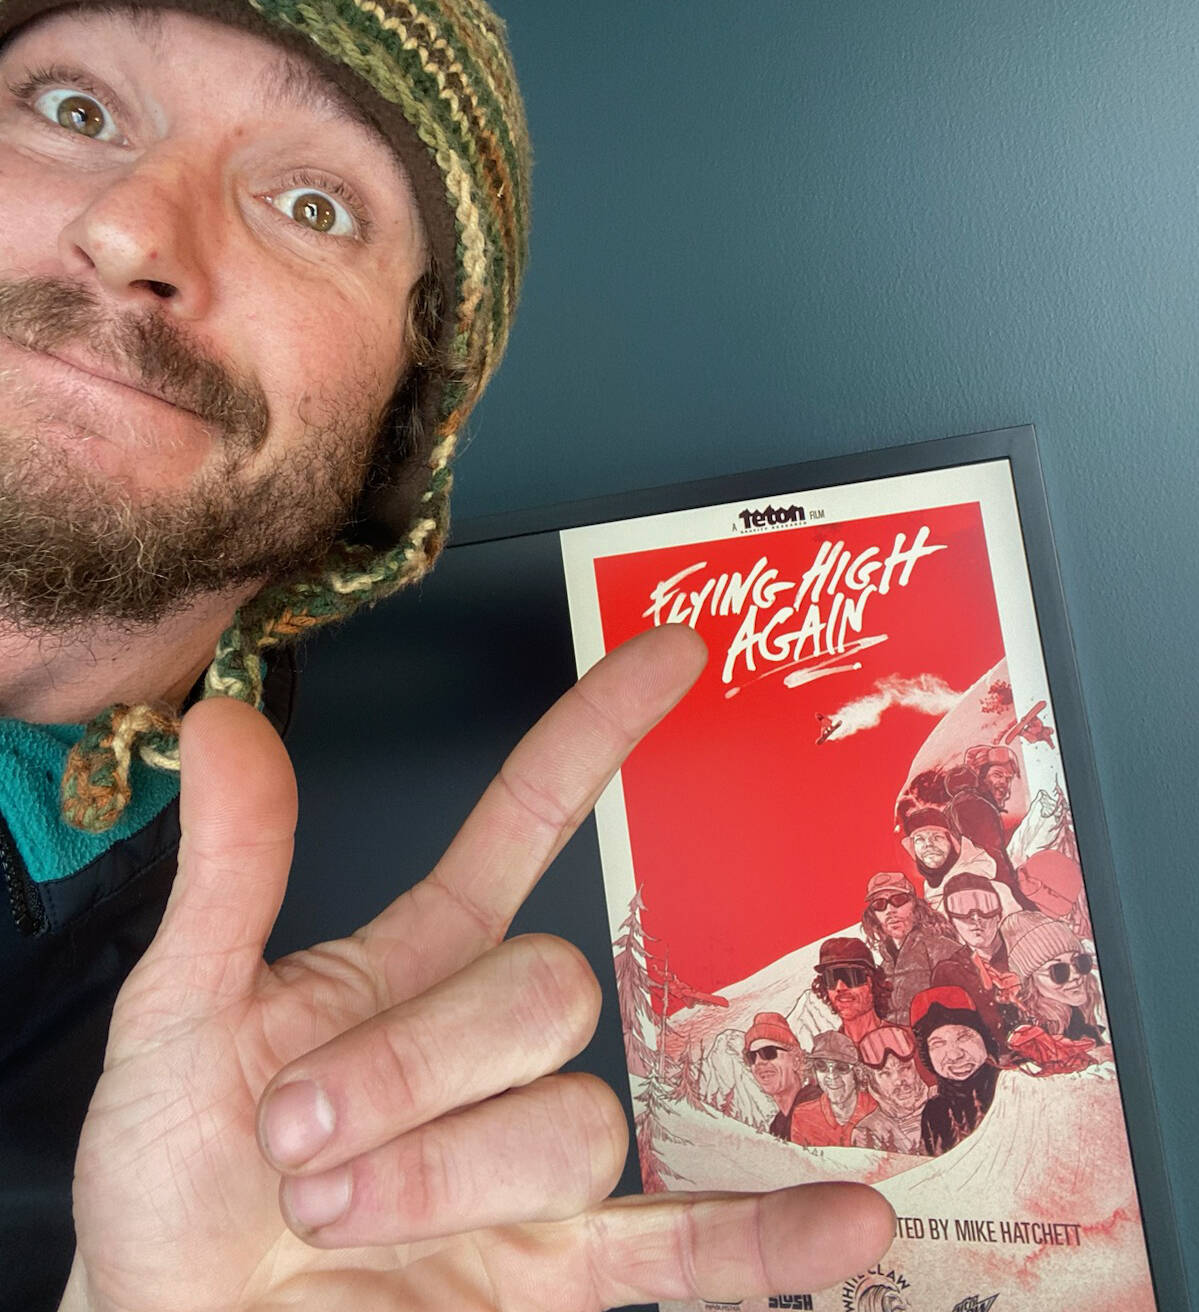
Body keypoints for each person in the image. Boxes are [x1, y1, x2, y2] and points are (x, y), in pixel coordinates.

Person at [0, 2, 896, 1307]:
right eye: (74, 110)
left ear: (400, 428)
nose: (136, 230)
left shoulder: (200, 1091)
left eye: (312, 205)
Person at [859, 871, 959, 1028]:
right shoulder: (883, 967)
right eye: (879, 904)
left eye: (898, 900)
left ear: (915, 905)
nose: (890, 910)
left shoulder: (943, 949)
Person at [909, 986, 1001, 1156]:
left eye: (964, 1037)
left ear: (984, 1039)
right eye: (938, 1043)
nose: (954, 1055)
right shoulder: (935, 1111)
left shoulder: (1012, 1088)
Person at [1002, 910, 1107, 1046]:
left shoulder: (1084, 1014)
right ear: (1031, 982)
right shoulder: (1031, 1033)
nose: (1076, 975)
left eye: (1080, 962)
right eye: (1058, 970)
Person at [788, 1032, 876, 1149]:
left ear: (857, 1073)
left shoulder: (875, 1108)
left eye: (841, 1067)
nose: (831, 1076)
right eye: (821, 1066)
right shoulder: (803, 1116)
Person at [850, 1025, 930, 1156]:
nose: (899, 1081)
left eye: (905, 1068)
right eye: (885, 1074)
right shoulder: (867, 1132)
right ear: (871, 1080)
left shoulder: (946, 1104)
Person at [742, 1012, 817, 1140]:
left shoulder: (816, 1107)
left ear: (796, 1060)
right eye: (752, 1057)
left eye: (768, 1053)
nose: (759, 1063)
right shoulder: (777, 1126)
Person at [810, 937, 889, 1044]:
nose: (840, 987)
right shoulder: (827, 1050)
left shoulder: (904, 1038)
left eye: (850, 977)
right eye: (831, 979)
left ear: (871, 981)